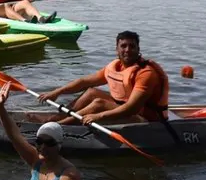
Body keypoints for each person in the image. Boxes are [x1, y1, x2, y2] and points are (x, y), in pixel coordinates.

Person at [37, 31, 170, 126]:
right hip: (126, 109)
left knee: (98, 103)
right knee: (91, 92)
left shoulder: (145, 73)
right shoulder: (115, 66)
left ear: (138, 49)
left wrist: (98, 116)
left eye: (132, 46)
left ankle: (58, 126)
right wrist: (57, 92)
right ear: (116, 49)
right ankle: (54, 119)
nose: (127, 50)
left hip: (148, 119)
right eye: (123, 46)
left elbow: (131, 109)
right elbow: (83, 82)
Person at [0, 81, 83, 180]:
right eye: (39, 141)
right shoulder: (35, 161)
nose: (43, 147)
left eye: (49, 143)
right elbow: (14, 135)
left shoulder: (69, 178)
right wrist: (0, 106)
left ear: (59, 145)